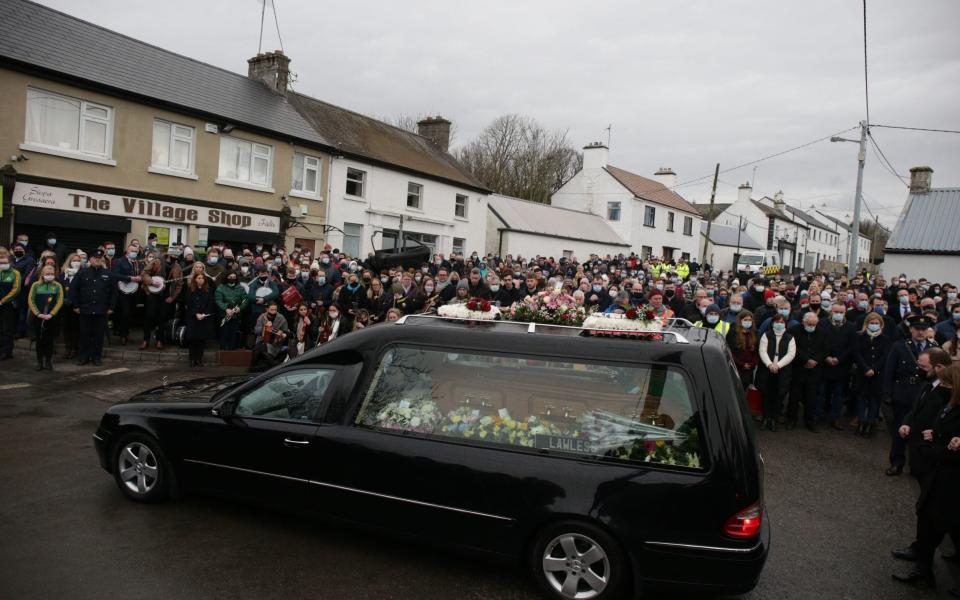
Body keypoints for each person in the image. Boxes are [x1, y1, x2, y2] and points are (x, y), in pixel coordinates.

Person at [892, 363, 960, 591]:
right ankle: (923, 568)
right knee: (927, 518)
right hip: (938, 474)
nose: (942, 386)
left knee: (940, 522)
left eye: (947, 383)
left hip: (950, 479)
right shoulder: (950, 404)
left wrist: (932, 447)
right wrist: (935, 436)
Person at [884, 316, 938, 476]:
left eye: (923, 329)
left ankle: (917, 464)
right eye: (917, 329)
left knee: (921, 430)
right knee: (900, 429)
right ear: (911, 329)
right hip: (903, 392)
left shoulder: (933, 348)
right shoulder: (899, 346)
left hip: (924, 393)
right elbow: (889, 371)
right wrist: (887, 393)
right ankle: (896, 462)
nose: (920, 332)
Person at [70, 250, 116, 366]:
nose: (97, 260)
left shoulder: (109, 274)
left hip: (102, 310)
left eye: (99, 258)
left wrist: (111, 307)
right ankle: (83, 357)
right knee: (84, 335)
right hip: (85, 309)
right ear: (90, 259)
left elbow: (114, 293)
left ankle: (97, 357)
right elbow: (74, 290)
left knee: (99, 336)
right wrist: (75, 305)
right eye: (95, 258)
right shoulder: (82, 273)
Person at [853, 313, 892, 436]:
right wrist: (865, 368)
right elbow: (857, 353)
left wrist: (874, 369)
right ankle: (861, 421)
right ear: (866, 323)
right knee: (861, 397)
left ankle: (870, 423)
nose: (874, 325)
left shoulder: (885, 339)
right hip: (862, 372)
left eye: (876, 323)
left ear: (881, 325)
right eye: (872, 323)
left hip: (877, 374)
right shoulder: (859, 336)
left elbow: (885, 356)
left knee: (874, 399)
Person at [819, 303, 857, 430]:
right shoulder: (822, 323)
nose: (838, 314)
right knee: (821, 392)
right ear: (831, 312)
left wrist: (839, 359)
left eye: (841, 312)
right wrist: (827, 357)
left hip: (841, 366)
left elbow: (851, 347)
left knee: (838, 394)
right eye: (836, 311)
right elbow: (819, 343)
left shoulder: (851, 327)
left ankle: (835, 418)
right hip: (825, 364)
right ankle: (819, 415)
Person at [757, 314, 796, 431]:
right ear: (773, 323)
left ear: (785, 324)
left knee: (778, 396)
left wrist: (778, 365)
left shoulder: (790, 337)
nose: (779, 324)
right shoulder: (766, 335)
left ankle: (774, 419)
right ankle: (765, 418)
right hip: (767, 370)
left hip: (782, 371)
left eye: (782, 322)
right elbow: (762, 351)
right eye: (777, 322)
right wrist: (769, 364)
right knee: (766, 395)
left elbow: (791, 354)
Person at [27, 265, 64, 370]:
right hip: (39, 317)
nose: (50, 276)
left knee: (49, 340)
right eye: (47, 274)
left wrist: (51, 314)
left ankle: (48, 361)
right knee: (39, 340)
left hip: (51, 318)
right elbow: (31, 300)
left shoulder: (57, 286)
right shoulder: (35, 285)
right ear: (42, 274)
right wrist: (38, 314)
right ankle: (39, 362)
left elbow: (59, 301)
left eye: (52, 274)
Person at [183, 269, 215, 367]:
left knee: (201, 339)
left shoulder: (208, 290)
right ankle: (192, 359)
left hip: (204, 317)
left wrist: (204, 314)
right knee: (193, 339)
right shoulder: (190, 290)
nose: (200, 280)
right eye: (199, 278)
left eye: (202, 278)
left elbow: (210, 304)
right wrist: (195, 313)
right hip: (193, 318)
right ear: (195, 279)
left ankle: (199, 359)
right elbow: (189, 304)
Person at [250, 302, 289, 372]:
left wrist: (283, 334)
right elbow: (256, 330)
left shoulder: (281, 318)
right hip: (262, 340)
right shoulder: (262, 317)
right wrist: (264, 327)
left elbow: (286, 331)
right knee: (260, 347)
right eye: (272, 310)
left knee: (258, 348)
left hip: (274, 343)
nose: (274, 312)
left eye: (275, 310)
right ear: (267, 309)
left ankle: (251, 367)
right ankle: (273, 365)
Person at [727, 311, 759, 391]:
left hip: (749, 369)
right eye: (745, 320)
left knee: (744, 390)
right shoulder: (733, 332)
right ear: (740, 321)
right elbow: (729, 350)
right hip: (736, 368)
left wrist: (752, 364)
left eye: (749, 320)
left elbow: (756, 352)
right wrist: (741, 364)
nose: (748, 322)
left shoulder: (754, 333)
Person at [215, 271, 247, 350]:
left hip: (236, 315)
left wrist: (240, 308)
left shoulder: (240, 288)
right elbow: (218, 300)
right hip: (224, 315)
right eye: (230, 277)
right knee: (224, 333)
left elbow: (246, 299)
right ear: (226, 277)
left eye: (234, 277)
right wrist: (226, 308)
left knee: (234, 333)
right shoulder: (220, 288)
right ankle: (223, 350)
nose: (232, 279)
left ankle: (232, 350)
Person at [58, 253, 81, 359]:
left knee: (75, 329)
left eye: (78, 260)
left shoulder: (82, 274)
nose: (76, 262)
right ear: (69, 261)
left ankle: (75, 349)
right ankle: (68, 348)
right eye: (74, 260)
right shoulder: (63, 275)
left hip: (76, 306)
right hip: (64, 306)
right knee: (65, 328)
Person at [0, 249, 22, 361]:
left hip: (8, 305)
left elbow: (16, 290)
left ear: (10, 262)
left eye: (5, 262)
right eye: (1, 262)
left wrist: (3, 300)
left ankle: (7, 351)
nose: (3, 264)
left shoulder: (15, 273)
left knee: (7, 329)